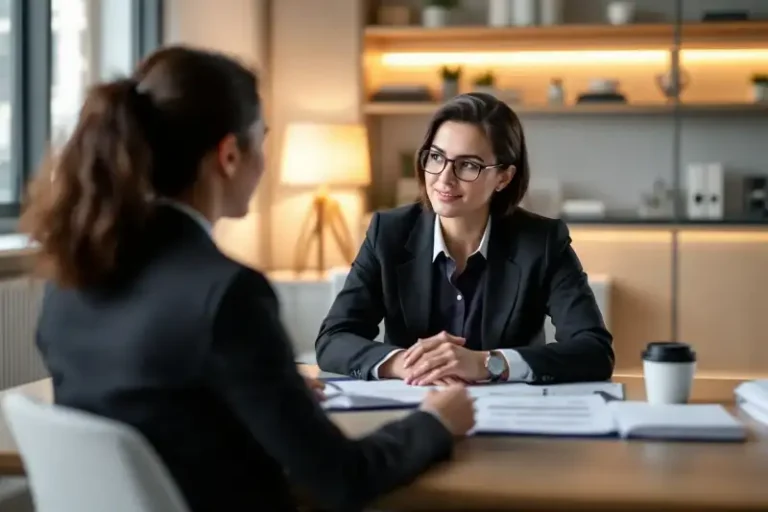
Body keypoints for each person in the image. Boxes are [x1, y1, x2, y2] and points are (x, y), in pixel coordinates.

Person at [19, 46, 475, 512]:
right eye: (263, 138)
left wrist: (272, 394)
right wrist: (433, 423)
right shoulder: (227, 293)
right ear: (231, 155)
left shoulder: (72, 273)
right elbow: (342, 477)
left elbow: (158, 409)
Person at [316, 92, 614, 386]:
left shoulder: (542, 242)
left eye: (468, 165)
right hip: (412, 412)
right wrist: (407, 364)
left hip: (511, 417)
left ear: (503, 178)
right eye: (436, 157)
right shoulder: (388, 233)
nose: (444, 179)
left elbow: (594, 350)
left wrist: (487, 363)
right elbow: (334, 339)